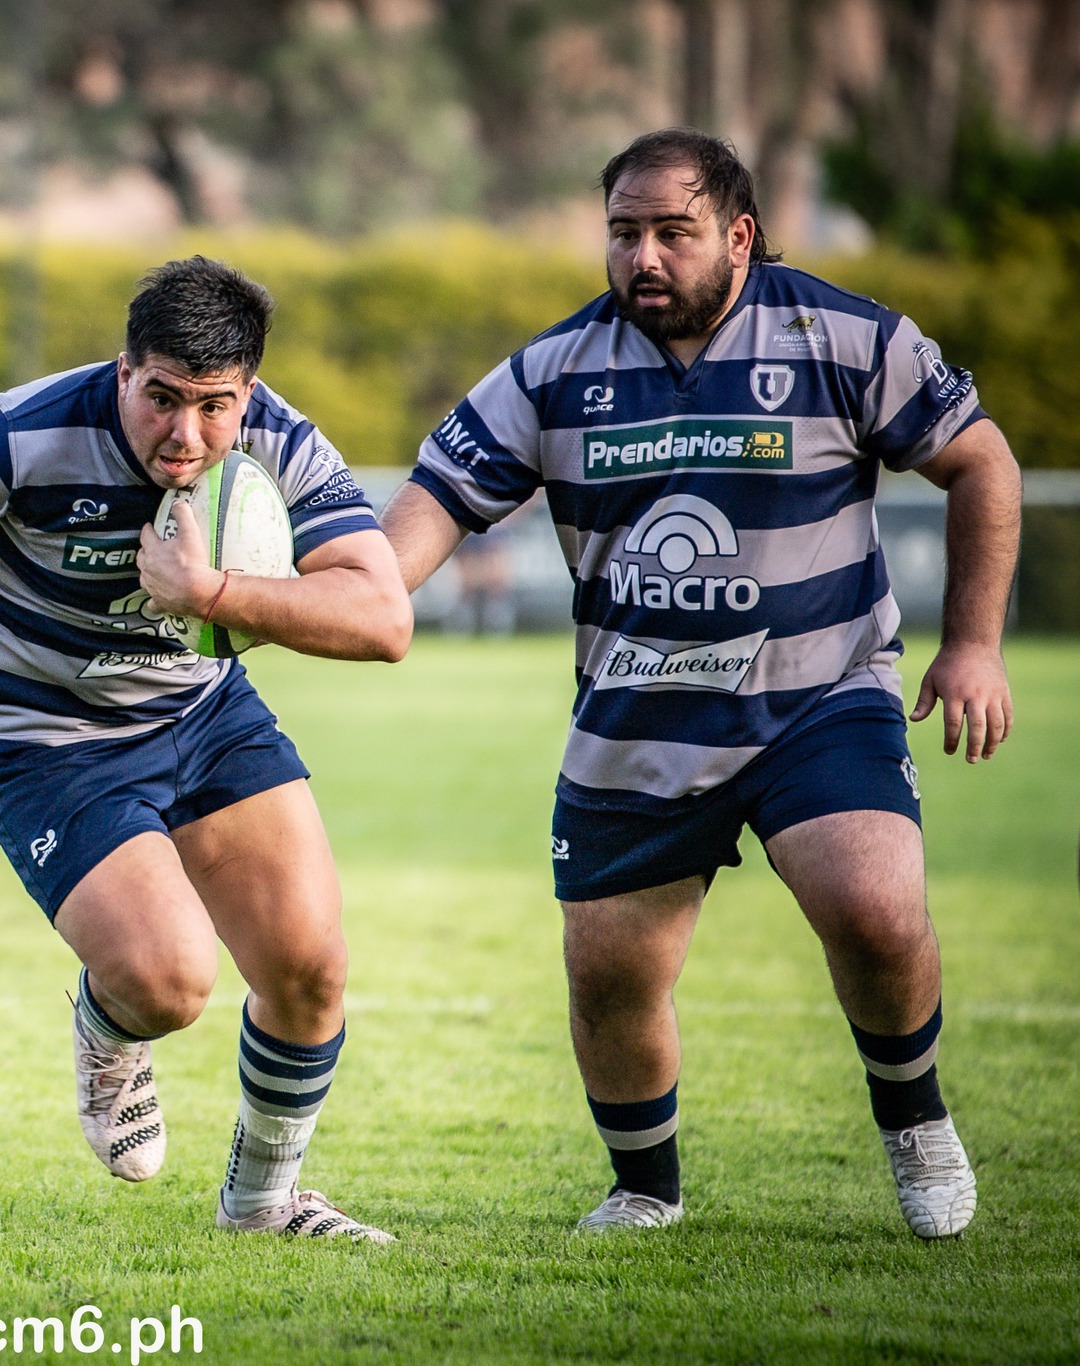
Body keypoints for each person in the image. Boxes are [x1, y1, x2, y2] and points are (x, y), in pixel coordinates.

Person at [380, 129, 1021, 1236]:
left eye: (671, 232)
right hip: (636, 716)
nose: (642, 256)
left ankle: (915, 1128)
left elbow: (979, 461)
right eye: (623, 232)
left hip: (817, 693)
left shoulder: (844, 336)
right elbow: (410, 533)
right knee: (610, 974)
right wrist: (324, 589)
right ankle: (643, 1189)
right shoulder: (549, 372)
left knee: (872, 906)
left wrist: (969, 644)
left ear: (736, 233)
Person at [0, 256, 414, 1240]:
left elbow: (382, 616)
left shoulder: (279, 444)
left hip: (199, 712)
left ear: (250, 393)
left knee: (308, 966)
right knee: (167, 980)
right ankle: (110, 1030)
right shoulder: (18, 434)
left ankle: (262, 1205)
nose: (185, 435)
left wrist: (216, 597)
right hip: (42, 732)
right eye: (161, 400)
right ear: (121, 372)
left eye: (214, 407)